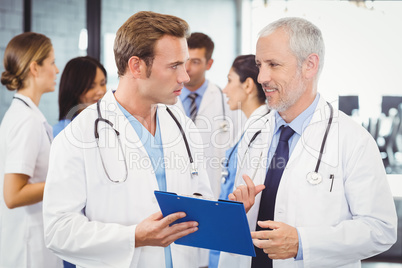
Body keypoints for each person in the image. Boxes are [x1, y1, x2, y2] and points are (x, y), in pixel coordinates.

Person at [219, 17, 397, 268]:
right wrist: (237, 209)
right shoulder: (255, 130)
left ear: (309, 65)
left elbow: (380, 230)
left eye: (273, 64)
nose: (262, 77)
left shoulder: (352, 140)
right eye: (260, 65)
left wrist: (303, 242)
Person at [43, 11, 212, 268]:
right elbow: (58, 231)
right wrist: (133, 237)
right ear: (137, 66)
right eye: (174, 66)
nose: (185, 77)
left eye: (185, 64)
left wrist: (225, 214)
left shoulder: (182, 125)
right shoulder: (79, 135)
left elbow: (199, 197)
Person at [0, 32, 62, 267]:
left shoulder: (25, 114)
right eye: (52, 62)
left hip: (31, 239)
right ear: (35, 68)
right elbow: (13, 195)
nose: (56, 70)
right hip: (27, 248)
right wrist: (65, 182)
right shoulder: (26, 120)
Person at [209, 54, 269, 268]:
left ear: (248, 85)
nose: (224, 89)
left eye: (230, 80)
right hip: (228, 228)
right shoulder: (249, 127)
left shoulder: (262, 129)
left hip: (240, 230)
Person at [176, 32, 245, 200]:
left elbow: (239, 154)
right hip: (176, 191)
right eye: (185, 60)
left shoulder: (227, 103)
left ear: (209, 64)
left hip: (214, 192)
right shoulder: (164, 101)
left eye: (196, 62)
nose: (187, 68)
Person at [53, 56, 107, 137]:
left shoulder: (109, 124)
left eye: (102, 84)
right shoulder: (60, 131)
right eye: (91, 86)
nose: (100, 91)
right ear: (75, 89)